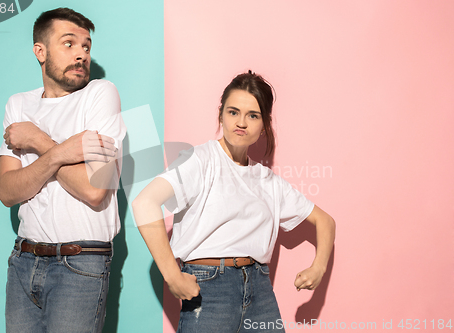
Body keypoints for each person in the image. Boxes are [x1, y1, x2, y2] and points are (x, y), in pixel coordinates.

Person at [132, 71, 335, 332]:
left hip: (260, 290)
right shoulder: (198, 159)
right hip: (209, 290)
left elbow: (325, 220)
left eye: (253, 115)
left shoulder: (267, 180)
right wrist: (172, 276)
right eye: (233, 112)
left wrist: (318, 269)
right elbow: (144, 203)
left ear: (264, 125)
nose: (241, 122)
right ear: (221, 114)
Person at [0, 8, 126, 333]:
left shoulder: (100, 94)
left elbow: (95, 190)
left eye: (86, 46)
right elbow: (8, 192)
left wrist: (38, 140)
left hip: (81, 262)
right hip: (24, 258)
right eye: (69, 43)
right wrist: (63, 153)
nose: (81, 54)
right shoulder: (19, 105)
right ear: (40, 51)